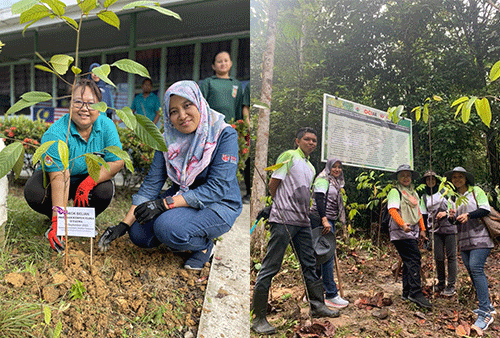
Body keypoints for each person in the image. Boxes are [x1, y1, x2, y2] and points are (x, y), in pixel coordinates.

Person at [97, 80, 242, 270]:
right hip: (182, 200)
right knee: (138, 232)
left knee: (167, 228)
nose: (182, 116)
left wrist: (164, 204)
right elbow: (152, 184)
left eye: (187, 105)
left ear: (198, 102)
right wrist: (124, 224)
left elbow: (217, 188)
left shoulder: (223, 134)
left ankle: (204, 246)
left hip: (220, 203)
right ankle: (179, 235)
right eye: (173, 111)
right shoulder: (168, 139)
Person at [251, 127, 339, 335]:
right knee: (271, 265)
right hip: (283, 220)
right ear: (297, 141)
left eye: (314, 140)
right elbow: (274, 184)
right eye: (307, 139)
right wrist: (278, 205)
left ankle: (317, 305)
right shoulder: (289, 156)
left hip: (302, 222)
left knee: (310, 262)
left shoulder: (309, 166)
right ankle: (259, 318)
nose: (311, 143)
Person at [24, 78, 124, 252]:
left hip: (86, 179)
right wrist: (57, 221)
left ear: (100, 107)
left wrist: (89, 183)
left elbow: (117, 161)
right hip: (58, 178)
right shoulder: (55, 133)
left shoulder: (106, 125)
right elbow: (59, 178)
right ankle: (57, 219)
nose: (84, 109)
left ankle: (82, 218)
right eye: (78, 102)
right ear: (70, 104)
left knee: (104, 189)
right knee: (35, 191)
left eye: (91, 104)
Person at [446, 166, 495, 331]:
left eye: (460, 177)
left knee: (476, 268)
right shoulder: (453, 197)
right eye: (454, 177)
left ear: (466, 178)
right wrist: (451, 217)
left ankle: (485, 312)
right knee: (471, 270)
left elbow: (485, 209)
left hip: (481, 238)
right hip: (464, 240)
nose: (457, 180)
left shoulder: (476, 191)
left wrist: (468, 215)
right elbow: (453, 221)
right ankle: (487, 304)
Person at [387, 164, 431, 309]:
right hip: (400, 231)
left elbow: (418, 212)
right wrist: (402, 224)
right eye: (402, 175)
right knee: (414, 258)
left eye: (408, 175)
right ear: (398, 178)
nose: (406, 178)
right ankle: (415, 292)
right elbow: (392, 210)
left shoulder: (413, 193)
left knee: (408, 260)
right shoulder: (395, 191)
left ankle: (406, 292)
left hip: (412, 230)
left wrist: (423, 229)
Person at [309, 158, 349, 308]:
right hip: (321, 220)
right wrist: (324, 220)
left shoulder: (335, 182)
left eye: (339, 167)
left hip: (328, 219)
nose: (337, 170)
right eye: (334, 167)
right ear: (329, 167)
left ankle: (313, 293)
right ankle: (331, 294)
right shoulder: (323, 179)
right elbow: (319, 199)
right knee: (327, 257)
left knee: (319, 257)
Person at [419, 171, 457, 297]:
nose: (431, 181)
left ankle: (451, 285)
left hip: (449, 227)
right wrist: (423, 230)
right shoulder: (424, 197)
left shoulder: (445, 191)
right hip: (434, 230)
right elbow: (423, 215)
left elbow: (454, 206)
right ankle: (441, 283)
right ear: (425, 181)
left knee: (451, 257)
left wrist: (446, 213)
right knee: (438, 257)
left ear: (437, 180)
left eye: (433, 179)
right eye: (428, 179)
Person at [200, 51, 243, 123]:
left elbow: (239, 108)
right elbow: (201, 105)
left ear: (231, 63)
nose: (223, 64)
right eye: (219, 62)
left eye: (226, 61)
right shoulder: (208, 82)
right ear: (213, 66)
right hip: (212, 124)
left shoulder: (236, 84)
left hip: (231, 126)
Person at [241, 84, 251, 203]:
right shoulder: (249, 86)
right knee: (248, 159)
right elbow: (246, 107)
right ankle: (248, 193)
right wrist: (248, 125)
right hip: (251, 132)